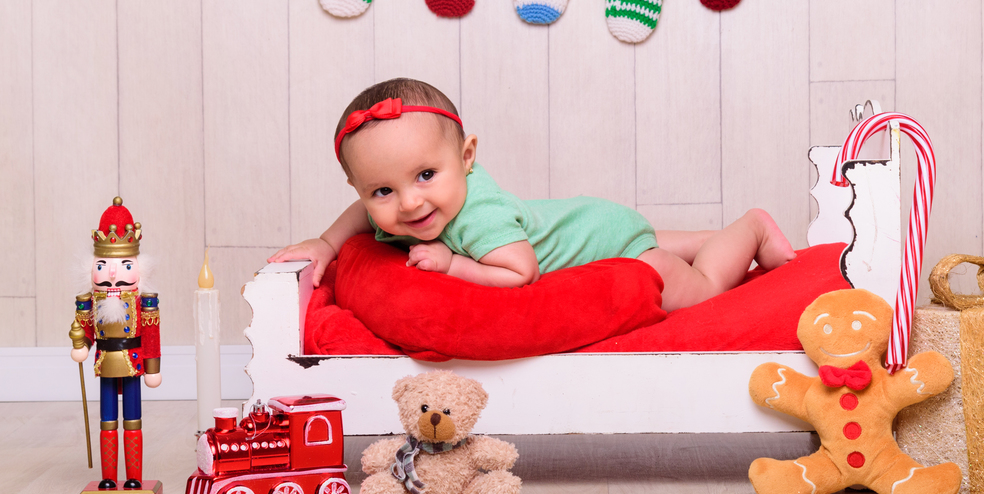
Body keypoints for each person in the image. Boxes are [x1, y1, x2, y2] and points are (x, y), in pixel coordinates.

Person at [270, 78, 797, 312]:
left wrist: (454, 266)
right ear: (362, 189)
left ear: (467, 156)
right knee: (655, 234)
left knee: (699, 288)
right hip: (587, 220)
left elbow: (521, 271)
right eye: (383, 190)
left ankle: (750, 227)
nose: (408, 204)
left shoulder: (477, 220)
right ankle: (716, 235)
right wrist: (325, 242)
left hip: (611, 246)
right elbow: (362, 218)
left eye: (426, 175)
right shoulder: (399, 205)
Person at [70, 197, 162, 491]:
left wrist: (152, 368)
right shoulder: (89, 301)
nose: (112, 274)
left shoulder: (144, 303)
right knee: (107, 421)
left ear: (137, 267)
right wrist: (81, 345)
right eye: (103, 265)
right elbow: (84, 330)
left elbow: (151, 337)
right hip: (105, 363)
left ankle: (134, 475)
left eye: (123, 266)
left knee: (132, 419)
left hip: (133, 363)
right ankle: (109, 476)